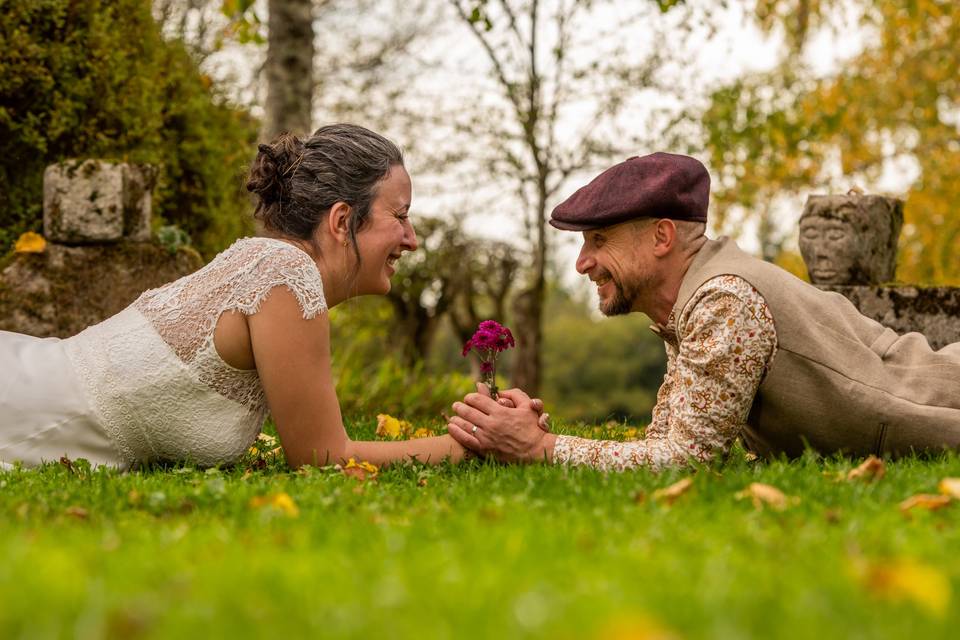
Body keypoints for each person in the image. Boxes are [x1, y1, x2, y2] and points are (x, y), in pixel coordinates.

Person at [447, 152, 960, 471]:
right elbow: (666, 440)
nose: (583, 264)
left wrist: (539, 448)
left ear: (661, 237)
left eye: (599, 241)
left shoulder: (725, 302)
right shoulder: (693, 301)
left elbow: (686, 461)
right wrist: (537, 433)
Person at [1, 123, 469, 470]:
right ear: (343, 221)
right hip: (29, 414)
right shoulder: (287, 273)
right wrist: (467, 446)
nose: (411, 239)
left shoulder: (269, 263)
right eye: (400, 216)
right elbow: (323, 456)